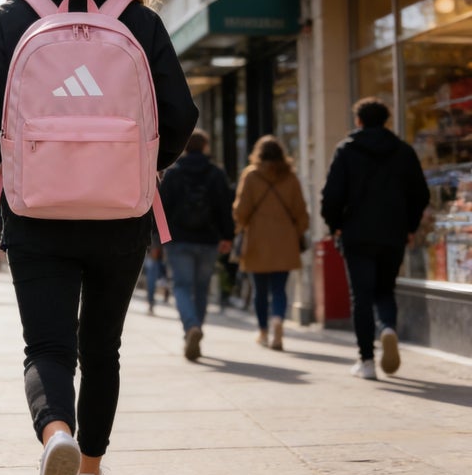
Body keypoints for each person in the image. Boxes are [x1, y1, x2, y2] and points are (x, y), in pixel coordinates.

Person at [0, 0, 197, 475]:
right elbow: (181, 116)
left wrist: (17, 172)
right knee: (104, 347)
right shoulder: (137, 18)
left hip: (35, 211)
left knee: (48, 347)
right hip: (121, 211)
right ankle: (89, 473)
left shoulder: (14, 15)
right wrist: (136, 169)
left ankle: (55, 434)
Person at [321, 96, 429, 380]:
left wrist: (335, 225)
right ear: (385, 120)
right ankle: (389, 328)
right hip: (393, 233)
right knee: (385, 290)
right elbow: (421, 193)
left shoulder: (346, 150)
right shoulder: (403, 151)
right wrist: (410, 226)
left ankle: (367, 361)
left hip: (356, 234)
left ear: (358, 121)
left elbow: (331, 195)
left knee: (362, 296)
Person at [158, 129, 234, 360]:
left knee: (181, 286)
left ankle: (190, 327)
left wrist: (159, 238)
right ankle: (196, 327)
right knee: (201, 289)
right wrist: (227, 236)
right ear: (205, 147)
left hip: (178, 240)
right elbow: (225, 207)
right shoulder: (216, 173)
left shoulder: (173, 174)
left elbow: (162, 207)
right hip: (208, 240)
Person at [232, 135, 310, 351]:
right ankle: (278, 320)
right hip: (285, 242)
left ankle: (264, 331)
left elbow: (241, 211)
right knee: (279, 289)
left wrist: (244, 226)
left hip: (257, 240)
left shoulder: (251, 175)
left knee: (259, 290)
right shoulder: (290, 177)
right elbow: (302, 213)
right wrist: (295, 233)